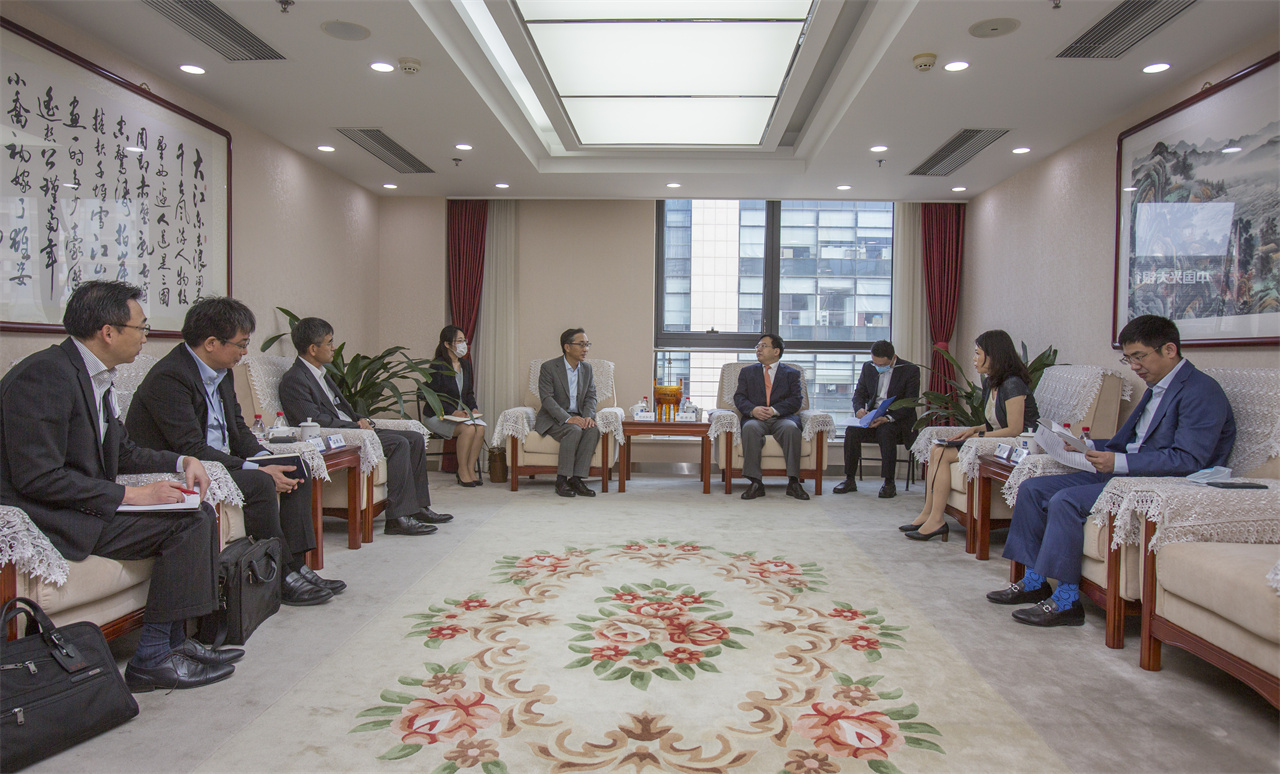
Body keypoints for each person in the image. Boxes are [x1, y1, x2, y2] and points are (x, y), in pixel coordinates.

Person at [1, 280, 239, 692]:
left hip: (81, 502)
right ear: (108, 332)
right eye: (141, 327)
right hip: (47, 516)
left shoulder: (94, 376)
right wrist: (133, 495)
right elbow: (37, 477)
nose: (146, 336)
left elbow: (123, 452)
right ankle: (153, 659)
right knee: (188, 523)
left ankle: (175, 643)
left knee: (197, 512)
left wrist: (183, 461)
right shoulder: (44, 375)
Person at [988, 315, 1235, 627]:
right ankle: (1035, 581)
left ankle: (1067, 601)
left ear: (1170, 350)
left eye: (1139, 357)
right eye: (1128, 358)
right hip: (1127, 474)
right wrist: (1085, 445)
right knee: (1033, 488)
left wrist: (1118, 462)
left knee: (1066, 500)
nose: (1134, 366)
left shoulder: (1201, 391)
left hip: (1159, 483)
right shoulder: (1158, 386)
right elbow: (1135, 443)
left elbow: (1189, 459)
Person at [126, 298, 341, 607]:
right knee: (260, 482)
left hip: (218, 459)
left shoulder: (222, 370)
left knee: (296, 467)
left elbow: (238, 429)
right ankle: (279, 575)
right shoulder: (170, 377)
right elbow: (191, 448)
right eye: (241, 345)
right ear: (211, 343)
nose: (244, 353)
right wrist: (257, 469)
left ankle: (296, 565)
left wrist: (264, 459)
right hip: (183, 467)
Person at [277, 317, 451, 535]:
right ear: (313, 349)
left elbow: (340, 408)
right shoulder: (295, 380)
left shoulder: (321, 373)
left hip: (353, 428)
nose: (333, 348)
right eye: (329, 343)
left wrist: (362, 420)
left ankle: (419, 508)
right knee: (398, 443)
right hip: (338, 436)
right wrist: (354, 426)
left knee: (414, 438)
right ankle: (397, 518)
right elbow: (313, 421)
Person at [904, 330, 1041, 542]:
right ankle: (928, 513)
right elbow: (996, 421)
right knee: (936, 449)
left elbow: (1014, 429)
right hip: (1000, 439)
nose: (974, 359)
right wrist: (974, 429)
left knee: (943, 453)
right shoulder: (991, 383)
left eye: (978, 353)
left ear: (994, 355)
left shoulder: (1013, 384)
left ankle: (936, 520)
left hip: (1018, 445)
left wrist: (979, 436)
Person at [833, 340, 920, 499]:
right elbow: (859, 394)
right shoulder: (868, 367)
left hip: (896, 422)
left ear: (893, 358)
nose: (878, 367)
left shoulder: (910, 370)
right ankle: (849, 479)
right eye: (875, 363)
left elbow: (910, 403)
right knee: (851, 431)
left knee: (886, 431)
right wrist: (859, 409)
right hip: (872, 419)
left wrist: (887, 418)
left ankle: (889, 482)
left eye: (882, 364)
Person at [735, 333, 809, 501]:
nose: (758, 349)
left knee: (791, 429)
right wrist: (753, 410)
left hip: (782, 418)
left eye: (763, 346)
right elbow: (739, 397)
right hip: (756, 419)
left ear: (776, 351)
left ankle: (793, 482)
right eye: (757, 346)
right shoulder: (747, 372)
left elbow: (796, 401)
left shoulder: (792, 374)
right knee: (750, 428)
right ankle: (756, 483)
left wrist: (775, 410)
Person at [534, 328, 600, 498]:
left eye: (587, 344)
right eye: (581, 344)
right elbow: (547, 399)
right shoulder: (549, 367)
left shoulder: (587, 369)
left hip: (578, 416)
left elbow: (591, 396)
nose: (586, 349)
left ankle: (577, 479)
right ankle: (561, 480)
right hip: (553, 418)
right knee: (574, 430)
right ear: (567, 347)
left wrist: (588, 416)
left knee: (593, 430)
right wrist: (567, 418)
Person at [423, 325, 486, 487]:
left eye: (464, 340)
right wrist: (452, 411)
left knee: (480, 429)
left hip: (460, 416)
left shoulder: (465, 364)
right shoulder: (438, 365)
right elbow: (433, 396)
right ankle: (462, 470)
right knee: (469, 429)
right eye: (459, 341)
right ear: (447, 344)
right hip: (438, 415)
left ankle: (470, 469)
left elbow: (468, 393)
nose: (463, 344)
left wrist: (473, 408)